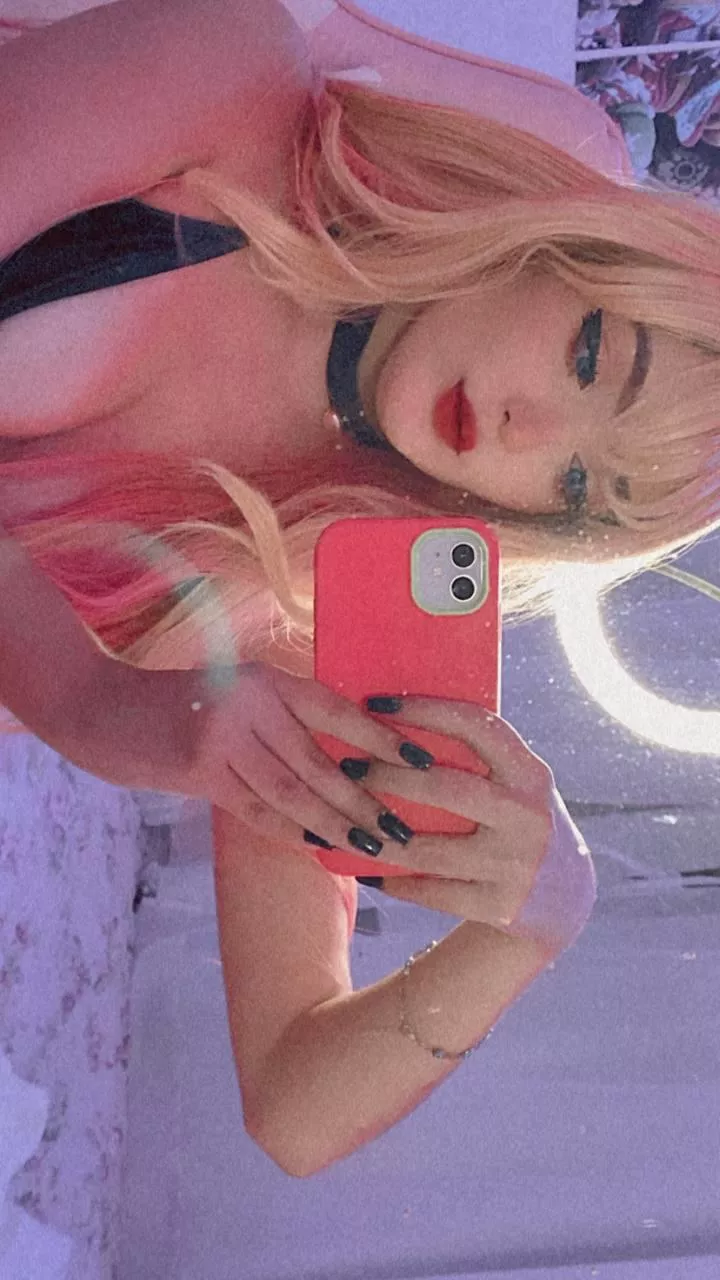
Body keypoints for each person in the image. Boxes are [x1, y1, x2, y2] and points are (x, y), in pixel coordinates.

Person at [0, 0, 716, 1174]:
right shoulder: (229, 87)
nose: (529, 432)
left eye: (580, 484)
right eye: (592, 355)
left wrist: (536, 921)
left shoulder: (306, 603)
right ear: (558, 238)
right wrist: (94, 701)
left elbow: (296, 1104)